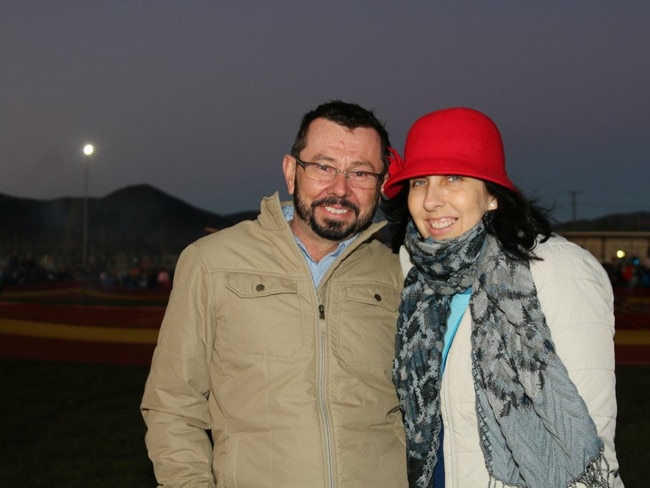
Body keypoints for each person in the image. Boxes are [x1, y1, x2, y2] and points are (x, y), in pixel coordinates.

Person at [141, 100, 408, 487]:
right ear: (290, 172)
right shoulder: (211, 262)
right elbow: (171, 405)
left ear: (381, 185)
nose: (340, 188)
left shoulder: (397, 274)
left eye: (360, 173)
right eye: (324, 167)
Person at [381, 107, 623, 487]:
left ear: (492, 196)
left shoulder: (555, 269)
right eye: (419, 182)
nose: (431, 200)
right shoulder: (418, 278)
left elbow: (591, 427)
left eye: (454, 178)